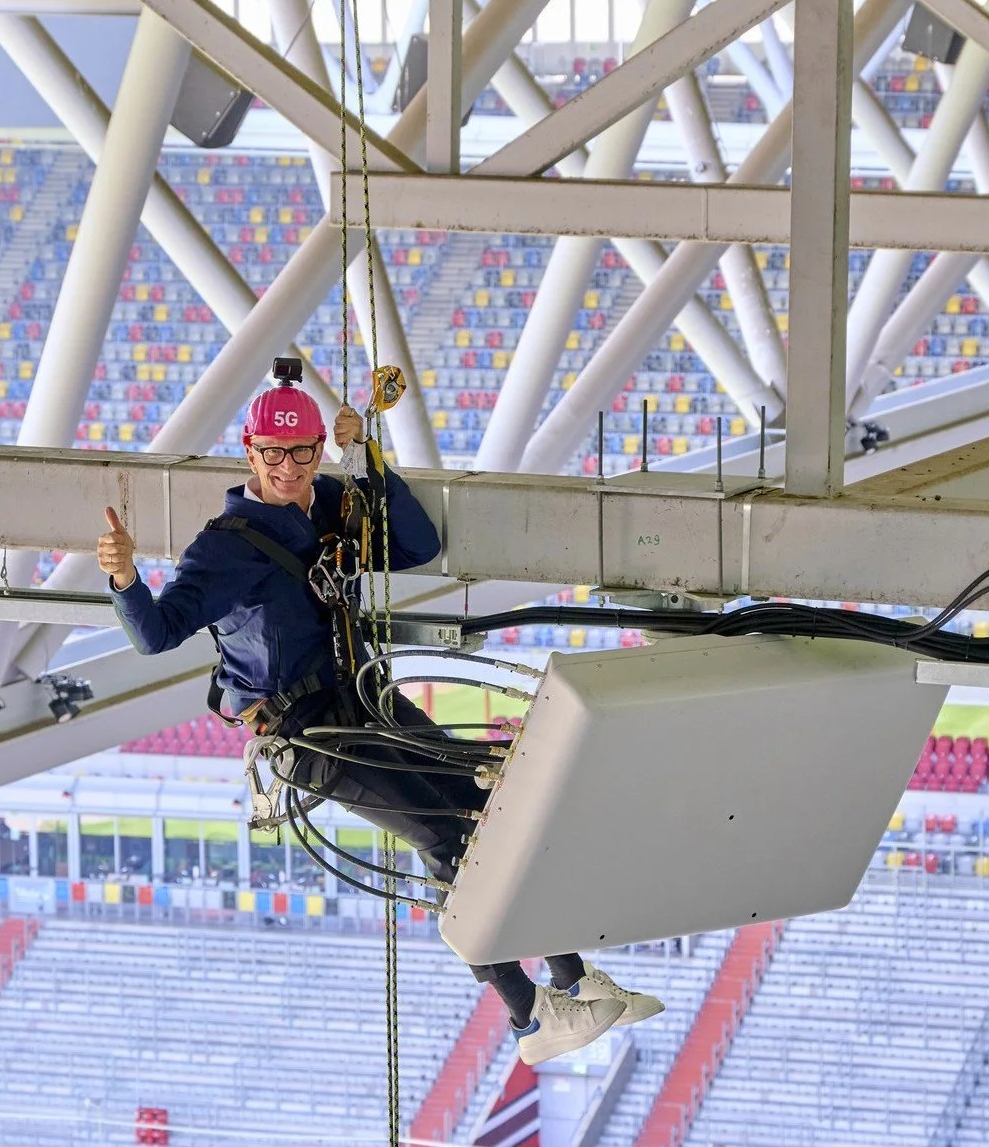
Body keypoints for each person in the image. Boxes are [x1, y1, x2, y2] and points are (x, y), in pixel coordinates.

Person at [97, 363, 662, 1065]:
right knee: (441, 834)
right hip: (307, 732)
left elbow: (420, 546)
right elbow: (156, 632)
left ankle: (573, 980)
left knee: (485, 806)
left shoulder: (329, 502)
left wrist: (364, 459)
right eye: (273, 454)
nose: (288, 467)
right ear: (249, 452)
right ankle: (530, 1017)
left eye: (302, 451)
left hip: (362, 697)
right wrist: (123, 578)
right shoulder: (225, 549)